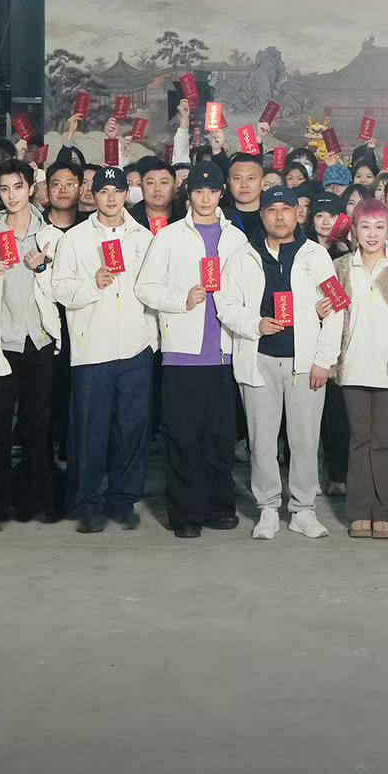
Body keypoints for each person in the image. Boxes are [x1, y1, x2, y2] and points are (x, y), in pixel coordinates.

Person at [214, 183, 342, 539]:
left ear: (297, 214)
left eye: (286, 209)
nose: (279, 216)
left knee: (305, 440)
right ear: (262, 215)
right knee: (262, 440)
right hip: (260, 359)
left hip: (305, 364)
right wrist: (255, 323)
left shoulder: (316, 256)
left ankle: (303, 509)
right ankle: (268, 508)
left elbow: (336, 308)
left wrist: (324, 360)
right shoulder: (244, 256)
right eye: (272, 210)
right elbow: (226, 305)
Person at [136, 161, 251, 537]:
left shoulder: (236, 238)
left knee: (219, 436)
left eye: (212, 191)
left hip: (224, 352)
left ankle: (219, 506)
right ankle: (185, 514)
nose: (205, 198)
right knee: (183, 436)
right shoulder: (169, 236)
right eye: (198, 191)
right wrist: (181, 300)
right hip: (182, 353)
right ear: (189, 194)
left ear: (221, 194)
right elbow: (145, 288)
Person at [51, 165, 159, 533]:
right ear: (92, 195)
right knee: (89, 430)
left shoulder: (144, 238)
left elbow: (151, 292)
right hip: (92, 349)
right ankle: (85, 501)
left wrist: (151, 341)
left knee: (132, 428)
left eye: (117, 191)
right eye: (103, 192)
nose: (111, 198)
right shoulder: (75, 239)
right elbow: (60, 289)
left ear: (127, 194)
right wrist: (92, 283)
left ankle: (124, 499)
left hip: (135, 347)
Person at [0, 165, 65, 530]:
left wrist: (43, 269)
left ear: (31, 188)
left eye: (17, 187)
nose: (11, 195)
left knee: (38, 425)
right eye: (4, 189)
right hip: (1, 341)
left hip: (39, 339)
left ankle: (36, 501)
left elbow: (62, 291)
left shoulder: (52, 238)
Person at [327, 198, 388, 540]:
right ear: (354, 231)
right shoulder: (341, 268)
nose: (372, 234)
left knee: (383, 440)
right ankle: (359, 512)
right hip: (353, 363)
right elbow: (332, 316)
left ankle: (385, 512)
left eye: (379, 227)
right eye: (365, 227)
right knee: (359, 438)